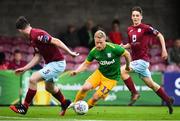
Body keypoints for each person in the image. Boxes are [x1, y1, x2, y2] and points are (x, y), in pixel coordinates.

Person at [9, 16, 79, 116]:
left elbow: (56, 41)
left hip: (57, 63)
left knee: (33, 79)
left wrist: (70, 52)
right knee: (49, 88)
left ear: (20, 30)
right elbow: (38, 56)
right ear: (28, 25)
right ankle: (64, 103)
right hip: (50, 64)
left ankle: (24, 107)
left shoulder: (37, 34)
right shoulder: (32, 39)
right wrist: (24, 68)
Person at [121, 6, 174, 114]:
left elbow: (160, 35)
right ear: (131, 17)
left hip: (142, 61)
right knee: (152, 85)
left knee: (122, 71)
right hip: (136, 61)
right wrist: (123, 46)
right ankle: (168, 100)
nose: (135, 17)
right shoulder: (129, 29)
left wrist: (164, 50)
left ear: (141, 17)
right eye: (133, 15)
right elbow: (132, 44)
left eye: (137, 15)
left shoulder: (146, 28)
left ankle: (134, 93)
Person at [68, 30, 137, 109]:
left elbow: (127, 54)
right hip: (99, 74)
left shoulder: (114, 48)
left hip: (111, 79)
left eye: (101, 42)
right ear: (94, 40)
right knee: (85, 88)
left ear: (105, 40)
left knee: (95, 97)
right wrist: (76, 71)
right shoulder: (94, 51)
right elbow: (85, 64)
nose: (99, 45)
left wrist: (127, 66)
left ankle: (84, 108)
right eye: (97, 43)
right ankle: (75, 103)